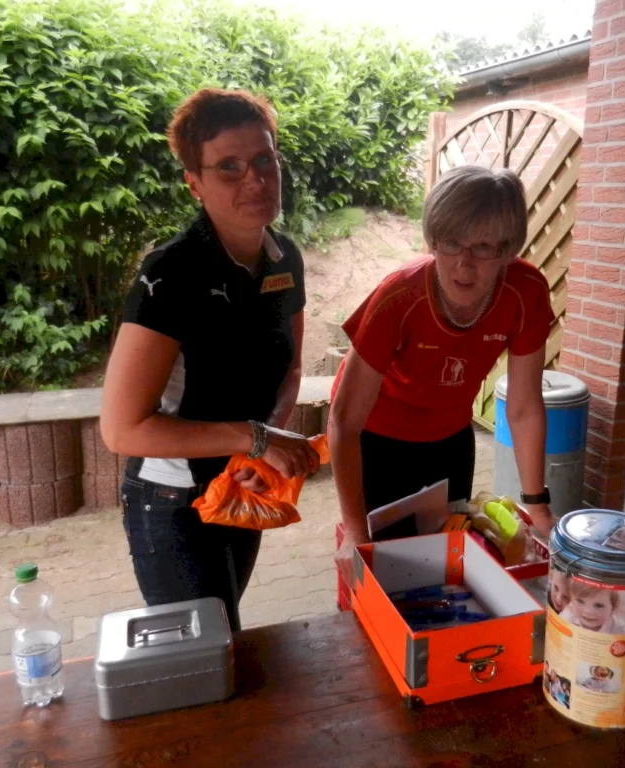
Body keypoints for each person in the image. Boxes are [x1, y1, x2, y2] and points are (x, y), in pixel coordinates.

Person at [100, 88, 321, 631]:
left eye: (265, 159)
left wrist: (262, 445)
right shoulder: (171, 274)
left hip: (240, 479)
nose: (255, 179)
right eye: (229, 168)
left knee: (228, 627)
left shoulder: (284, 257)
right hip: (171, 501)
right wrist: (257, 439)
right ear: (194, 183)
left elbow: (289, 369)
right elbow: (123, 429)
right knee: (207, 650)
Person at [330, 165, 556, 587]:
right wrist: (355, 534)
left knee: (445, 572)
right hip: (378, 442)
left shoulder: (526, 292)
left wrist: (537, 504)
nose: (463, 265)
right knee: (377, 578)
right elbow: (344, 421)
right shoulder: (399, 296)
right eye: (451, 243)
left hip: (450, 441)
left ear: (507, 249)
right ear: (433, 239)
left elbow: (524, 407)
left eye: (484, 247)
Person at [559, 582, 625, 635]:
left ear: (613, 607)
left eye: (598, 605)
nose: (588, 611)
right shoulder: (567, 617)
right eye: (580, 601)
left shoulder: (620, 631)